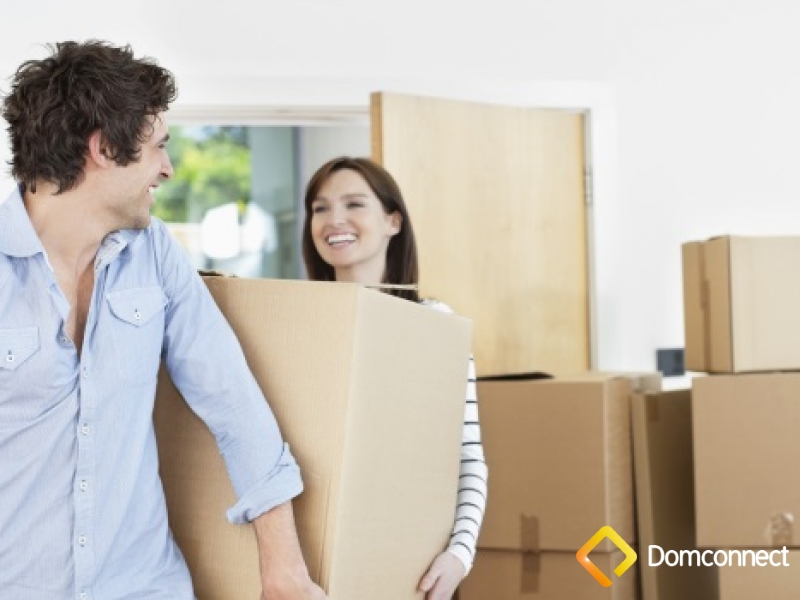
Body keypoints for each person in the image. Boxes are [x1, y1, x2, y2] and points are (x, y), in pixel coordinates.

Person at [0, 40, 327, 600]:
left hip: (144, 586)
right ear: (104, 149)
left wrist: (285, 571)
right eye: (157, 148)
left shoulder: (154, 253)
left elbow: (232, 399)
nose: (168, 169)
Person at [301, 156, 488, 600]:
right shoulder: (300, 324)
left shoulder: (435, 324)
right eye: (320, 208)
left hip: (410, 566)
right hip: (315, 565)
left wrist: (460, 555)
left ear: (393, 221)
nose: (334, 220)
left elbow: (467, 455)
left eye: (354, 204)